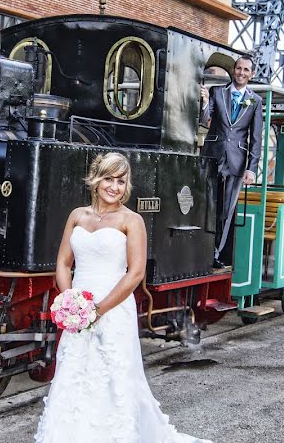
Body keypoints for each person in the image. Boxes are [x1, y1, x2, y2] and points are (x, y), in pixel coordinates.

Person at [35, 152, 210, 443]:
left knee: (113, 375)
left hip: (113, 308)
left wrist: (98, 309)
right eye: (109, 179)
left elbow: (135, 273)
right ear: (96, 180)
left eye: (121, 180)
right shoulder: (77, 215)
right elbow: (63, 264)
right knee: (74, 372)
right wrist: (71, 302)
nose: (114, 186)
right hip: (79, 311)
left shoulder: (132, 220)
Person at [200, 55, 264, 269]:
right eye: (238, 69)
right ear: (234, 70)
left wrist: (252, 169)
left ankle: (216, 253)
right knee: (207, 204)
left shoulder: (255, 101)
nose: (241, 73)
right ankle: (203, 248)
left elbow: (256, 137)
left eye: (246, 70)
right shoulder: (217, 92)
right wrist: (206, 104)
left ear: (252, 74)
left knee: (226, 211)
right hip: (212, 154)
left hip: (237, 161)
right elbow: (204, 121)